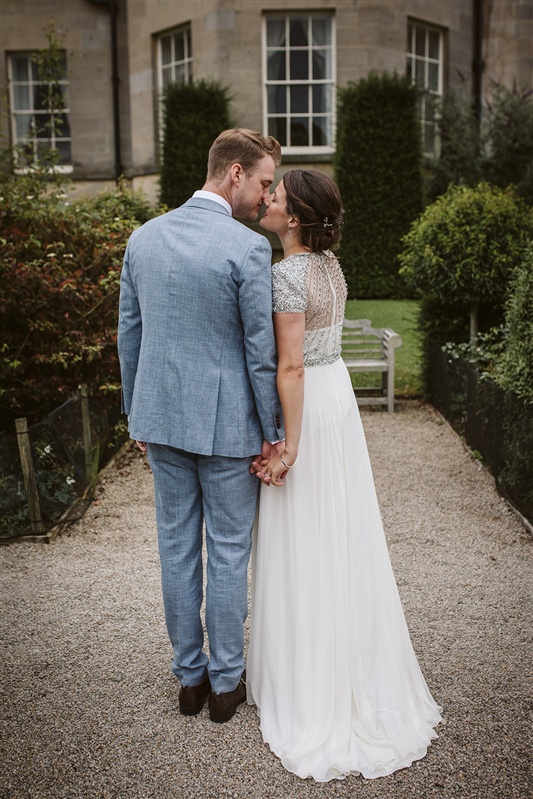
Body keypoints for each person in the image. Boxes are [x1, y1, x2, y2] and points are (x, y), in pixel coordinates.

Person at [246, 170, 442, 780]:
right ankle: (345, 666)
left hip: (310, 412)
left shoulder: (286, 275)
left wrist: (288, 447)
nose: (267, 200)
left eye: (275, 197)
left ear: (295, 217)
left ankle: (309, 684)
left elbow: (292, 367)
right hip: (340, 406)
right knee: (341, 537)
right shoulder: (329, 268)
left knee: (306, 539)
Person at [118, 129, 284, 724]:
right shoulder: (247, 249)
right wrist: (275, 430)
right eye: (264, 183)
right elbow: (260, 352)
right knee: (229, 551)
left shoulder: (143, 237)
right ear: (235, 173)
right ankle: (225, 684)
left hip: (159, 419)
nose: (267, 198)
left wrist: (135, 413)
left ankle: (189, 678)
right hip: (228, 426)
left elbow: (129, 334)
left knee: (177, 548)